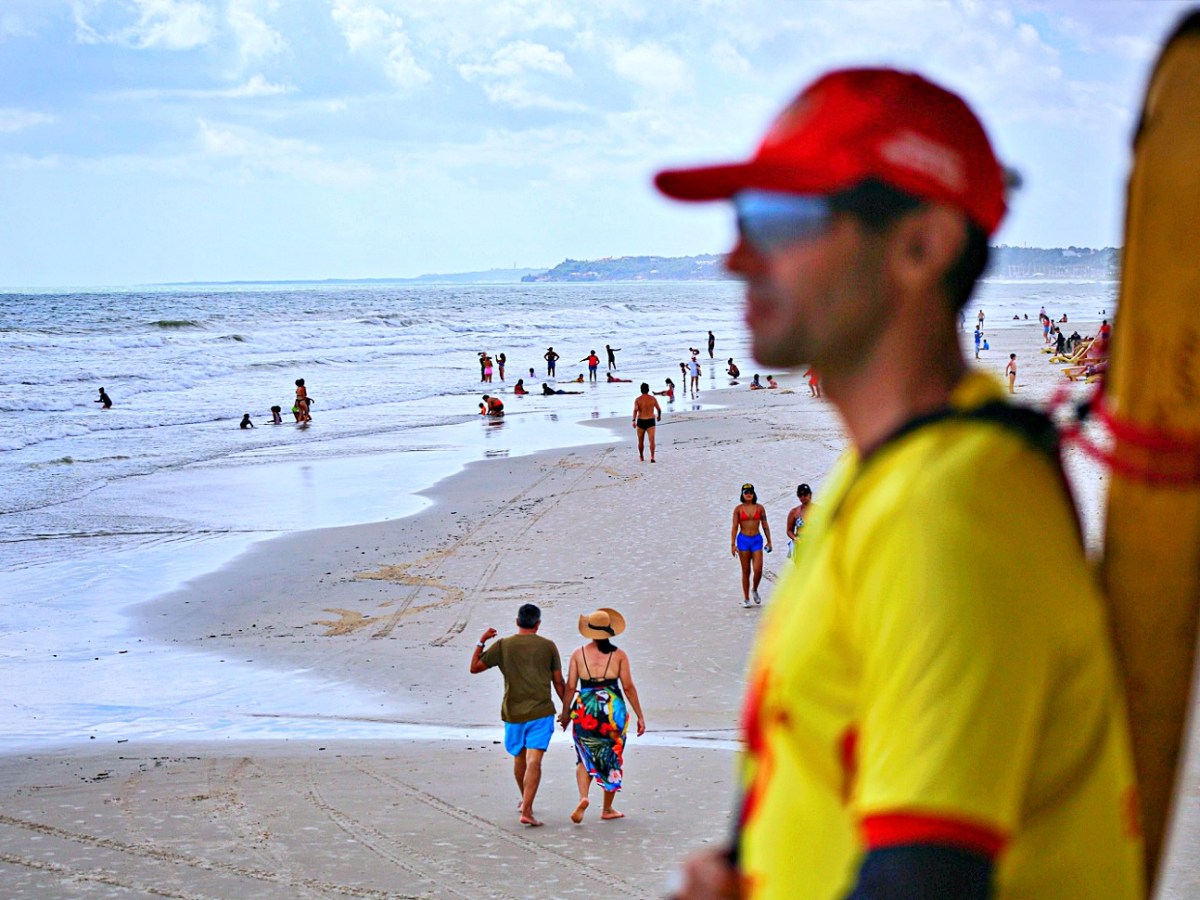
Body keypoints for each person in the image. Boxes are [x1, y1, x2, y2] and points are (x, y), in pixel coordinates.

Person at [657, 66, 1142, 897]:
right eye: (743, 217)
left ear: (922, 244)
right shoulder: (881, 476)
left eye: (781, 218)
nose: (736, 255)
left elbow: (928, 875)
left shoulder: (952, 506)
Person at [469, 603, 566, 827]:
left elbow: (474, 667)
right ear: (538, 624)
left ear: (517, 621)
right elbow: (559, 682)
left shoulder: (504, 645)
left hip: (513, 712)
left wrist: (481, 641)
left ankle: (525, 802)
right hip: (541, 711)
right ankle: (528, 808)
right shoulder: (548, 646)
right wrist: (568, 711)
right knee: (535, 761)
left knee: (520, 758)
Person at [558, 608, 647, 824]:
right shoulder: (619, 655)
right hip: (611, 710)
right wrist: (640, 716)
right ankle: (607, 808)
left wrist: (565, 713)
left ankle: (584, 797)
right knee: (612, 755)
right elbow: (628, 687)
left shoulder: (579, 654)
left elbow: (570, 687)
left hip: (585, 708)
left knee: (584, 754)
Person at [730, 483, 772, 607]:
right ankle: (746, 598)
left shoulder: (759, 508)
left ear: (754, 494)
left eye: (750, 492)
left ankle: (754, 589)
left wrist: (769, 540)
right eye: (746, 492)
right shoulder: (738, 509)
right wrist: (732, 544)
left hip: (756, 540)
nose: (749, 495)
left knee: (758, 570)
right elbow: (734, 527)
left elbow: (765, 524)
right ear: (742, 494)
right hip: (743, 540)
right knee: (746, 571)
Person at [632, 382, 662, 462]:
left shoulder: (638, 399)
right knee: (652, 440)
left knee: (640, 441)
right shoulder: (652, 398)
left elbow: (635, 410)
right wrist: (659, 416)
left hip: (641, 421)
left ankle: (641, 457)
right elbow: (659, 409)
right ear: (648, 389)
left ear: (641, 390)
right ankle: (652, 456)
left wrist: (633, 420)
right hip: (650, 421)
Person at [785, 483, 813, 559]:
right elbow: (789, 530)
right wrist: (795, 538)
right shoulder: (794, 512)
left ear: (810, 495)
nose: (803, 497)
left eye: (805, 494)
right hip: (801, 545)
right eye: (800, 495)